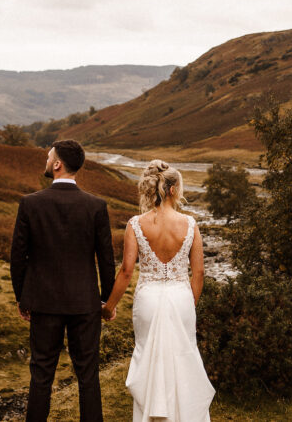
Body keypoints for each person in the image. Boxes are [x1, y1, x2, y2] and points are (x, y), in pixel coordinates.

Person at [10, 139, 116, 422]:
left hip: (43, 302)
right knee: (88, 375)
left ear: (57, 164)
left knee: (41, 374)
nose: (46, 160)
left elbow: (18, 256)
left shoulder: (30, 203)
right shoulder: (96, 206)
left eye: (48, 157)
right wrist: (106, 300)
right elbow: (106, 259)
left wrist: (22, 297)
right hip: (85, 303)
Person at [102, 159, 215, 421]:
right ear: (173, 190)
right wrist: (189, 304)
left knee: (148, 356)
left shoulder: (135, 224)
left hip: (148, 300)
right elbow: (198, 273)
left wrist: (109, 307)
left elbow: (127, 271)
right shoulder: (190, 225)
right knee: (183, 358)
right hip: (181, 298)